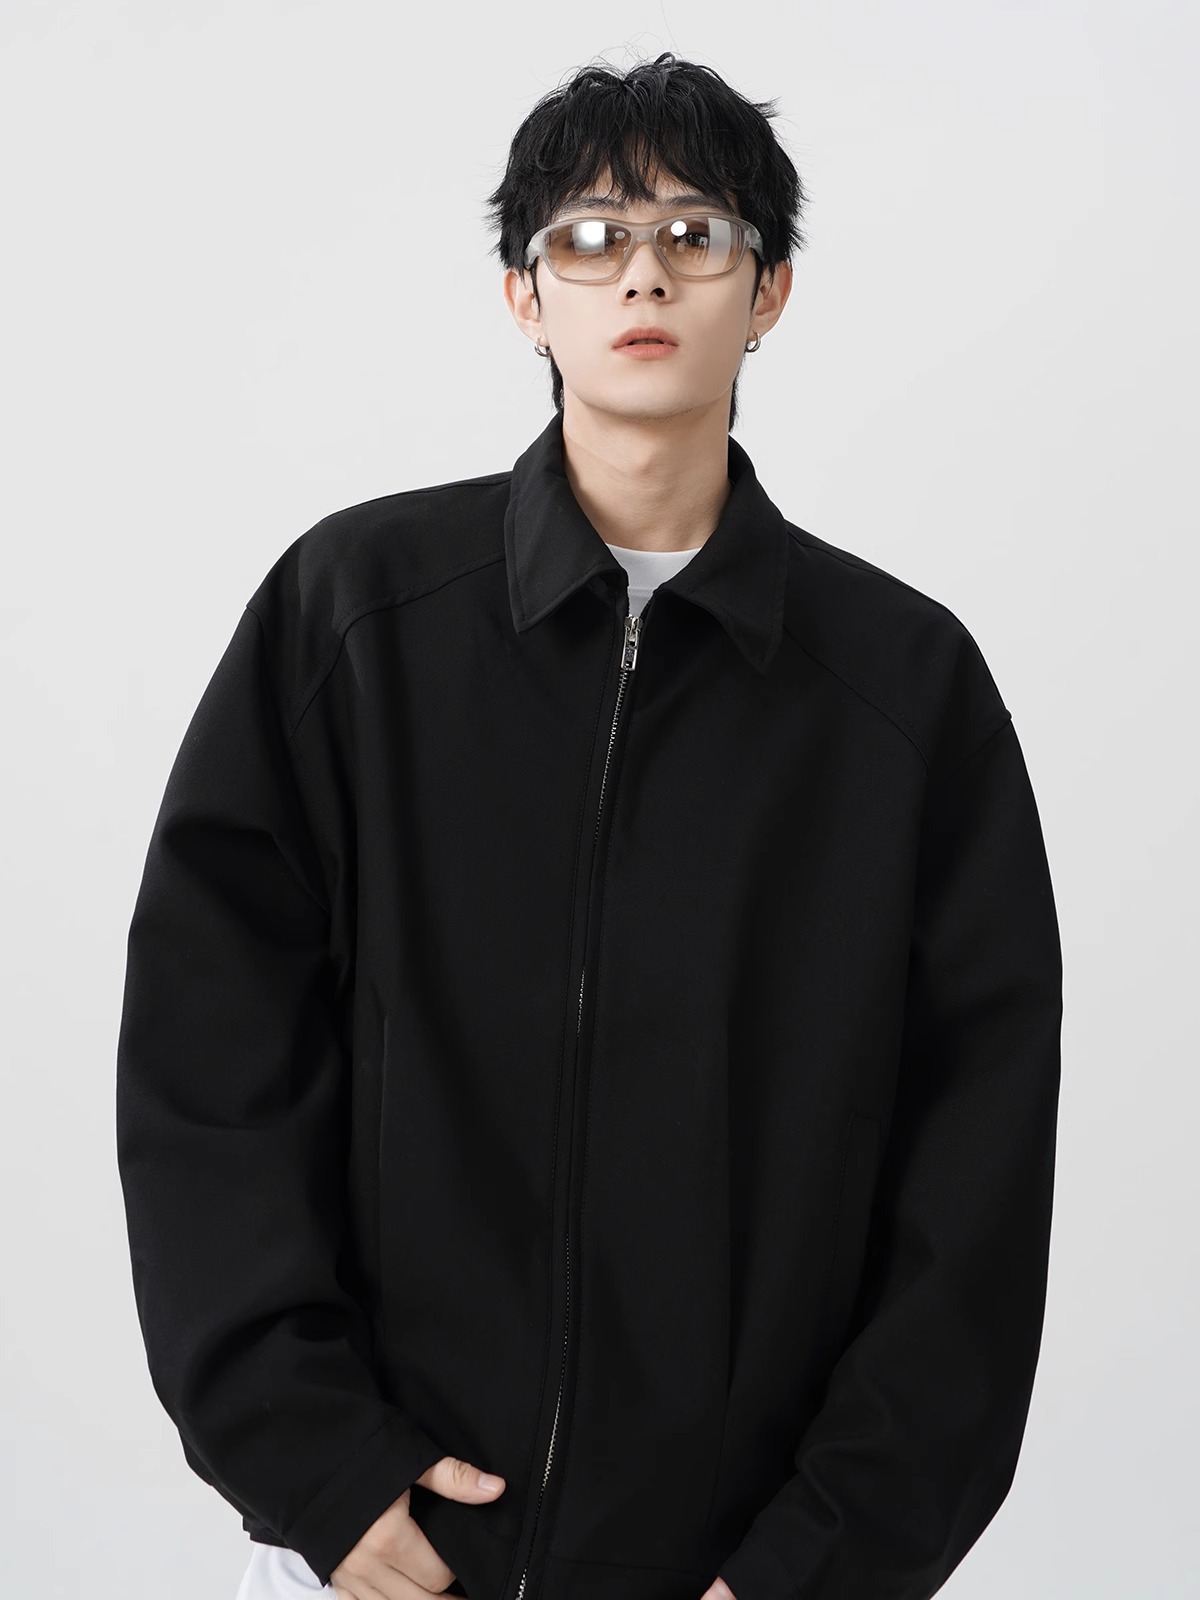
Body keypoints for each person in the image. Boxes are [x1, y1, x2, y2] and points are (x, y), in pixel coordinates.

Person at [115, 51, 1063, 1600]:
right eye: (591, 236)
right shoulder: (353, 620)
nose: (644, 273)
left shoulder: (903, 695)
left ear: (769, 293)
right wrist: (313, 1463)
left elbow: (976, 1185)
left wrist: (823, 1563)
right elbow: (208, 1065)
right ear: (524, 297)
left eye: (697, 234)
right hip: (380, 1547)